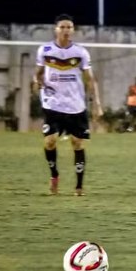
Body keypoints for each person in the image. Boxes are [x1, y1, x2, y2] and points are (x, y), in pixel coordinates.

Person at [33, 13, 103, 196]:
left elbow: (90, 80)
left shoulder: (80, 52)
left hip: (76, 105)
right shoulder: (45, 50)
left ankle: (79, 187)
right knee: (49, 141)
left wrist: (97, 104)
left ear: (73, 30)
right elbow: (38, 73)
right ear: (56, 29)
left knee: (77, 143)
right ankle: (54, 175)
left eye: (69, 27)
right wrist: (36, 81)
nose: (66, 30)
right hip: (52, 103)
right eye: (62, 27)